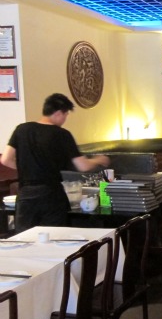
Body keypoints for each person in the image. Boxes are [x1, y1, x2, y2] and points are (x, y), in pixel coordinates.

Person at [1, 93, 110, 232]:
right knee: (53, 236)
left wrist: (27, 169)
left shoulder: (21, 129)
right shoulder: (62, 134)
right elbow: (83, 166)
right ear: (58, 113)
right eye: (65, 115)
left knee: (24, 237)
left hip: (26, 195)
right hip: (50, 195)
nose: (64, 120)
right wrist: (100, 159)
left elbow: (5, 159)